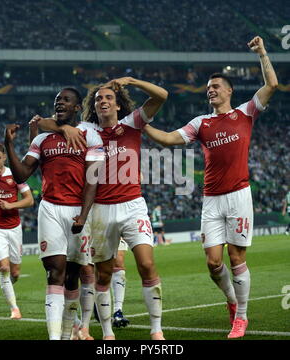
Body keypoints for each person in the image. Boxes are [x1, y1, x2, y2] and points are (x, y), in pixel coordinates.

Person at [143, 36, 278, 339]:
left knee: (236, 258)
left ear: (229, 90)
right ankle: (232, 300)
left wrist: (262, 53)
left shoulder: (244, 113)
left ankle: (241, 318)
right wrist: (141, 125)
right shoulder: (200, 123)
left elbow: (271, 85)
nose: (211, 90)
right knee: (213, 263)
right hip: (211, 201)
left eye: (216, 86)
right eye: (208, 88)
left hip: (239, 195)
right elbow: (168, 139)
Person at [38, 77, 168, 340]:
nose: (103, 101)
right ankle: (107, 332)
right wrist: (66, 130)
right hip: (100, 210)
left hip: (133, 205)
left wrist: (131, 80)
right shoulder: (86, 129)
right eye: (98, 99)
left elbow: (162, 96)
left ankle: (156, 330)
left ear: (118, 105)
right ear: (93, 106)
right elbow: (41, 122)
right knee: (103, 273)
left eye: (108, 98)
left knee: (146, 263)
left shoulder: (132, 122)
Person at [4, 87, 104, 340]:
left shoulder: (90, 135)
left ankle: (72, 329)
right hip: (49, 208)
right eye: (57, 100)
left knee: (73, 275)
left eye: (66, 100)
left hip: (78, 210)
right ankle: (54, 336)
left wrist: (84, 214)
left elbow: (92, 180)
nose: (59, 103)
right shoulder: (41, 139)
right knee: (55, 272)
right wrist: (9, 146)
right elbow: (21, 174)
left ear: (77, 107)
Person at [0, 143, 34, 319]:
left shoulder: (15, 175)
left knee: (15, 272)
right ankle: (14, 308)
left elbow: (29, 200)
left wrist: (11, 205)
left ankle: (7, 285)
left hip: (14, 227)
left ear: (4, 158)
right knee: (4, 267)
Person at [112, 238, 130, 328]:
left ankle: (118, 311)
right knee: (89, 269)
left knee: (118, 263)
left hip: (116, 226)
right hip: (94, 227)